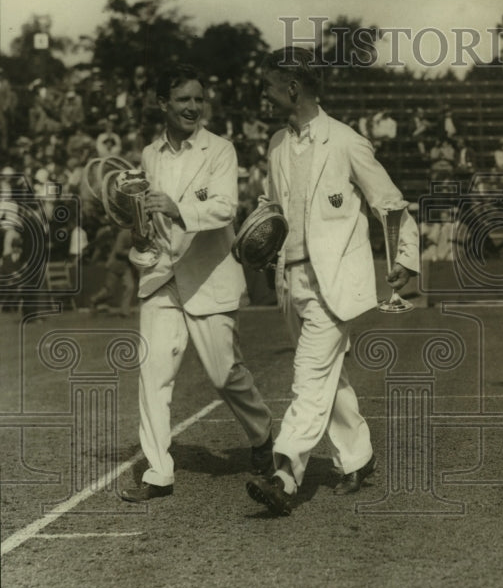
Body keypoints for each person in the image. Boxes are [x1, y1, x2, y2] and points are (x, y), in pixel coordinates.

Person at [245, 47, 419, 516]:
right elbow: (273, 205)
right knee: (328, 378)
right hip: (290, 279)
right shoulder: (277, 144)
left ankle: (285, 474)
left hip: (334, 284)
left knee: (308, 377)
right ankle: (358, 459)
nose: (264, 92)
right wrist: (261, 240)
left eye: (270, 84)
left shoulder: (345, 141)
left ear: (293, 88)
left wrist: (406, 257)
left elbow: (390, 201)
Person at [119, 64, 274, 502]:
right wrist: (140, 229)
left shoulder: (221, 150)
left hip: (209, 276)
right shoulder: (149, 155)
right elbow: (148, 219)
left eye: (198, 99)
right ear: (162, 103)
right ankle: (158, 472)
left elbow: (226, 209)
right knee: (152, 374)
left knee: (225, 376)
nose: (192, 107)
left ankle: (262, 437)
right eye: (183, 99)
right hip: (163, 278)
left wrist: (176, 208)